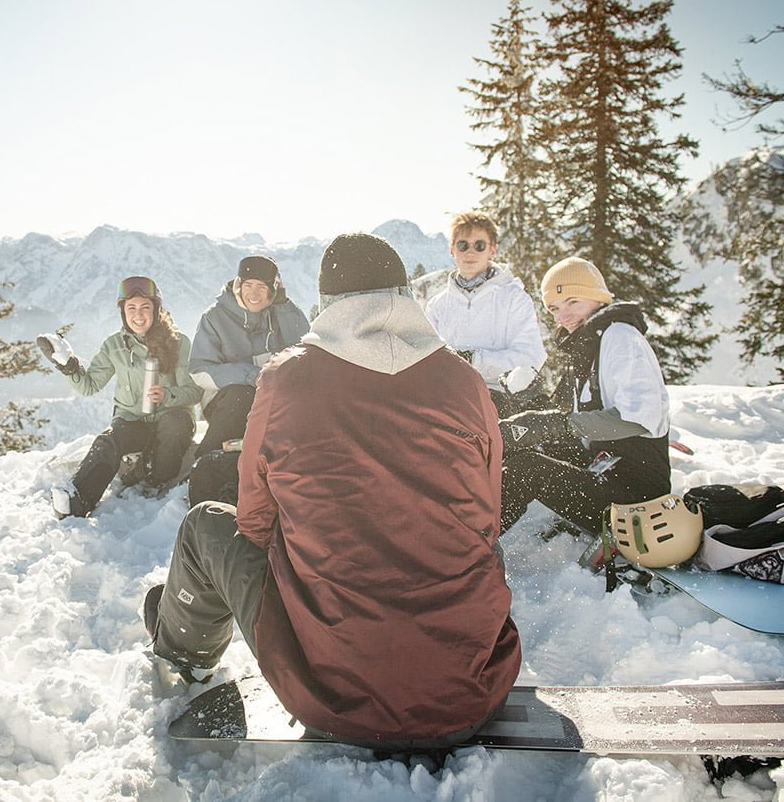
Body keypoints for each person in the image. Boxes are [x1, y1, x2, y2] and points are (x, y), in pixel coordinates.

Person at [146, 233, 521, 750]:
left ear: (327, 304)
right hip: (469, 692)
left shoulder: (286, 379)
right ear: (404, 297)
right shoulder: (463, 381)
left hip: (332, 694)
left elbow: (253, 523)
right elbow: (486, 519)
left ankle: (184, 657)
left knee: (205, 524)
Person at [498, 256, 671, 535]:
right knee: (520, 446)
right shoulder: (590, 345)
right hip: (603, 468)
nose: (563, 316)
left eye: (573, 302)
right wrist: (533, 413)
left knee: (525, 469)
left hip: (636, 501)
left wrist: (557, 425)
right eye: (554, 308)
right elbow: (579, 424)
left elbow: (638, 419)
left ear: (597, 297)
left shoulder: (621, 337)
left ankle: (464, 547)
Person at [44, 276, 202, 518]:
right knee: (109, 440)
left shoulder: (178, 343)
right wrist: (69, 366)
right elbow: (89, 386)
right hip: (133, 421)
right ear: (123, 312)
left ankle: (155, 479)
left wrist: (167, 394)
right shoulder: (114, 345)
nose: (138, 315)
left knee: (174, 425)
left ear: (156, 310)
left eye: (145, 307)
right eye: (131, 308)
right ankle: (77, 499)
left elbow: (194, 391)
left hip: (172, 420)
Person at [186, 256, 309, 504]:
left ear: (273, 290)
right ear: (238, 285)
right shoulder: (215, 317)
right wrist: (250, 375)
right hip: (226, 402)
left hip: (271, 399)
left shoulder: (279, 313)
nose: (254, 294)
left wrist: (283, 304)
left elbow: (304, 345)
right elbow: (199, 370)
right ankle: (202, 466)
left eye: (262, 287)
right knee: (241, 396)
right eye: (248, 285)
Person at [425, 211, 546, 411]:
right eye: (463, 245)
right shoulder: (437, 305)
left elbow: (530, 357)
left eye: (479, 245)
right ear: (452, 250)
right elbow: (426, 359)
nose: (470, 252)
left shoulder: (513, 297)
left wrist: (475, 361)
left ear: (492, 250)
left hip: (500, 401)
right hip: (447, 402)